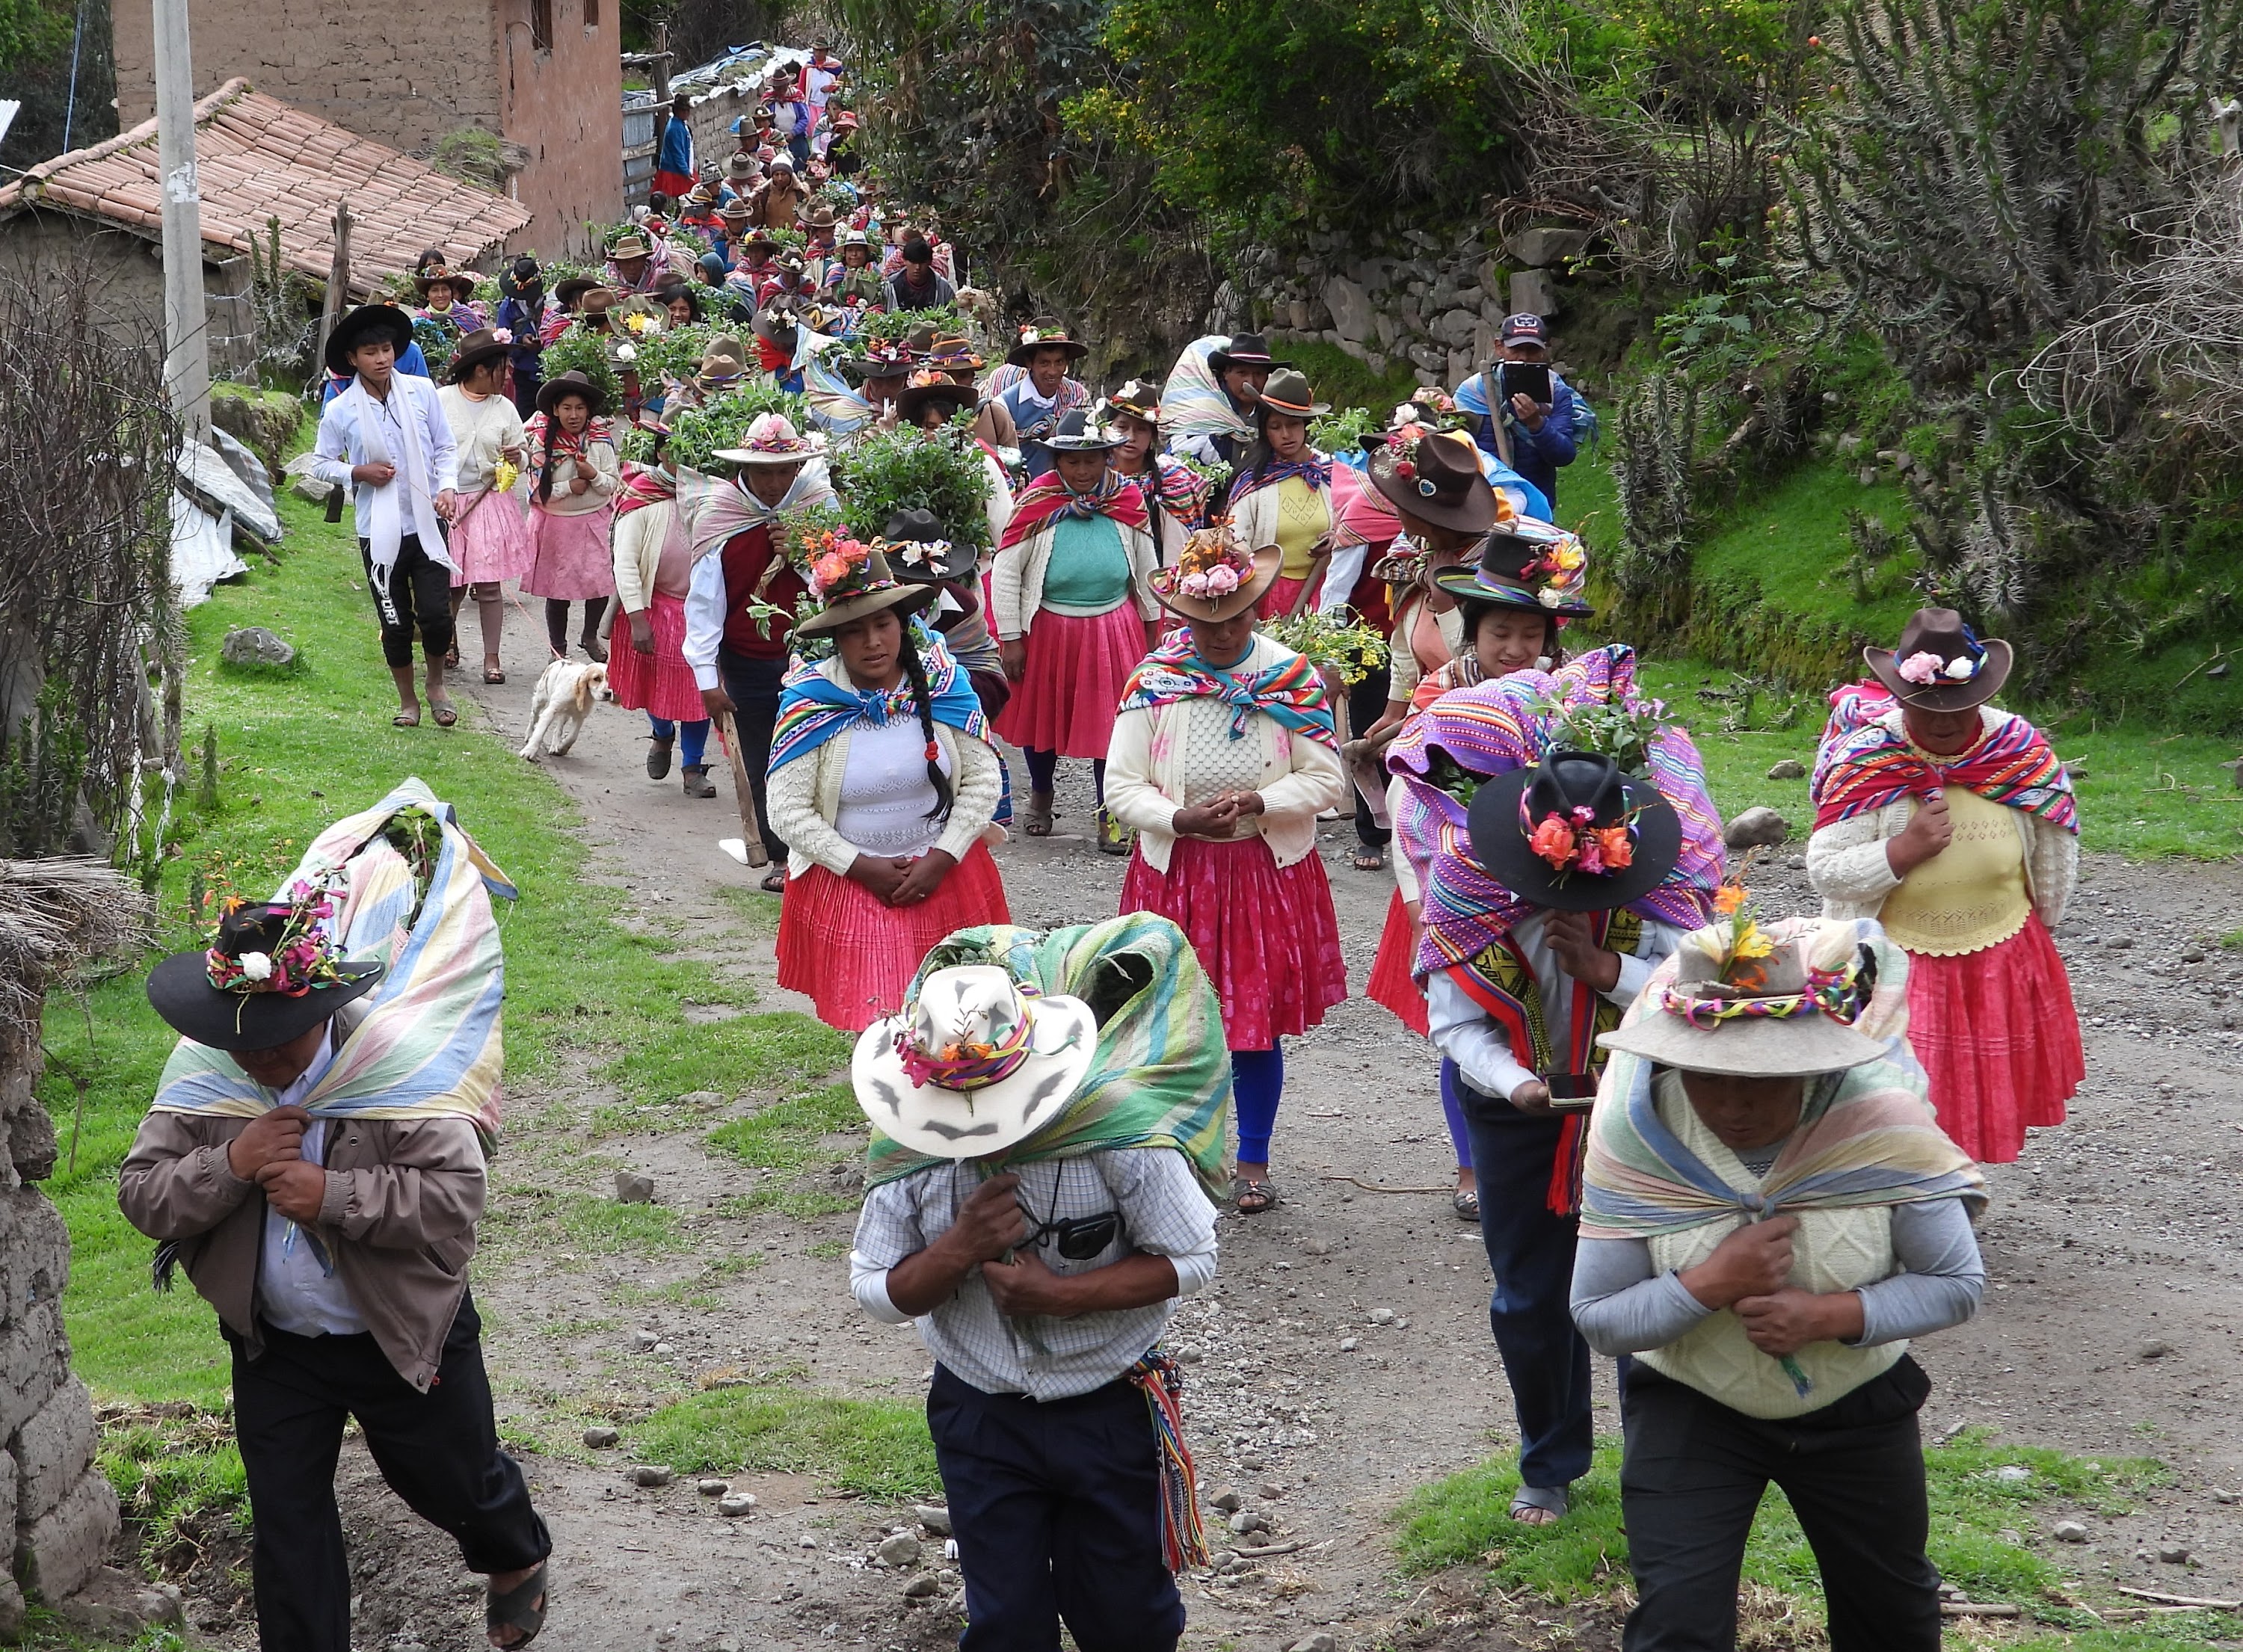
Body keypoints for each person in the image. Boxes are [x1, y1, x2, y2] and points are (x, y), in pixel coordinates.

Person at [118, 784, 550, 1652]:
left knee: (450, 1481)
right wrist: (231, 1164)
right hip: (276, 1343)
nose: (259, 1056)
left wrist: (332, 1199)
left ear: (319, 1009)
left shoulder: (397, 1067)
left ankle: (515, 1551)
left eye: (279, 1036)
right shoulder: (212, 1075)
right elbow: (143, 1192)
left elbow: (451, 1200)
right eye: (241, 1038)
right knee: (287, 1520)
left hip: (397, 1328)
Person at [1576, 907, 1988, 1651]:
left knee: (1891, 1620)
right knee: (1678, 1625)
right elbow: (1598, 1314)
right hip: (1691, 1402)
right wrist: (1706, 1284)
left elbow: (1956, 1280)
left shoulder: (1880, 1119)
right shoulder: (1635, 1131)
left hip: (1857, 1402)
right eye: (1708, 1078)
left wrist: (1827, 1313)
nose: (1733, 1105)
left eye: (1761, 1081)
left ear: (1811, 1061)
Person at [1386, 676, 1724, 1523]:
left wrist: (1613, 972)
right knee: (1530, 1294)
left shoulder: (1660, 892)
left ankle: (1664, 1462)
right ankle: (1550, 1462)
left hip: (1645, 1109)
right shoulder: (1473, 892)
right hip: (1519, 1116)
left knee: (1655, 1285)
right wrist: (1520, 1084)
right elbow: (1455, 1027)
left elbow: (1708, 995)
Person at [848, 916, 1228, 1652]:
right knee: (1005, 1624)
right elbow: (874, 1289)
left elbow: (1193, 1256)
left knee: (1130, 1619)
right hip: (979, 1412)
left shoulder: (1117, 1127)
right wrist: (957, 1248)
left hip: (1109, 1406)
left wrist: (1060, 1296)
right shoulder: (909, 1144)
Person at [1106, 527, 1348, 1213]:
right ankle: (1175, 1156)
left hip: (1261, 874)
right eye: (1202, 621)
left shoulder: (1288, 677)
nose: (1218, 633)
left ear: (1256, 609)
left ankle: (1252, 1159)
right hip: (1177, 871)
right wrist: (1179, 819)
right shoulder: (1154, 683)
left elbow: (1326, 780)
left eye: (1233, 618)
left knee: (1255, 1021)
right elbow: (1120, 786)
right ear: (1181, 617)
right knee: (1170, 1022)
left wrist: (1261, 801)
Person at [1806, 608, 2082, 1162]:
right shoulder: (1867, 757)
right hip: (1897, 961)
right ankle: (1906, 1198)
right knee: (1900, 1097)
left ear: (1981, 695)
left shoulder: (2018, 751)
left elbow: (2055, 845)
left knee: (1977, 1090)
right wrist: (1901, 850)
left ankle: (1948, 1202)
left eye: (1958, 708)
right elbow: (1826, 866)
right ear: (1899, 699)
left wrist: (2041, 933)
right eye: (1926, 708)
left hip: (1999, 951)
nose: (1943, 721)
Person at [765, 540, 1010, 1029]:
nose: (873, 642)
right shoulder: (811, 702)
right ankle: (888, 1105)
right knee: (881, 1023)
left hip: (947, 873)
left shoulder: (945, 686)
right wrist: (861, 867)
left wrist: (942, 857)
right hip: (853, 881)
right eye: (855, 632)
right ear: (836, 639)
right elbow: (786, 811)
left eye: (883, 625)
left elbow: (984, 781)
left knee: (962, 1021)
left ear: (904, 626)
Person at [683, 413, 840, 891]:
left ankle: (820, 849)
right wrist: (707, 681)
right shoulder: (720, 516)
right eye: (764, 473)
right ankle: (777, 854)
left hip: (815, 653)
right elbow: (705, 603)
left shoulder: (819, 510)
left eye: (784, 472)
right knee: (760, 754)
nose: (774, 483)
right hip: (747, 658)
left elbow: (842, 585)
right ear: (745, 472)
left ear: (798, 471)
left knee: (819, 753)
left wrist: (804, 554)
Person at [988, 419, 1160, 848]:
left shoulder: (1126, 497)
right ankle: (1042, 794)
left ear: (1107, 458)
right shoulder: (1038, 501)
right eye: (1071, 461)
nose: (1082, 471)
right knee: (1044, 717)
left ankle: (1111, 811)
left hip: (1113, 624)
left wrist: (1153, 626)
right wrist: (1011, 636)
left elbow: (1147, 563)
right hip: (1050, 626)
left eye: (1091, 460)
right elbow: (1007, 571)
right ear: (1057, 461)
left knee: (1114, 723)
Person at [310, 304, 462, 730]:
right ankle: (408, 701)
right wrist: (358, 472)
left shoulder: (421, 391)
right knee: (394, 620)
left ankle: (436, 686)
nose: (381, 359)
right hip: (378, 531)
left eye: (387, 349)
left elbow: (446, 447)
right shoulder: (341, 410)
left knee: (435, 615)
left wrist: (446, 487)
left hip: (428, 524)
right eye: (371, 352)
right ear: (353, 360)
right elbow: (319, 463)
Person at [609, 422, 716, 800]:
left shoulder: (712, 499)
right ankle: (662, 733)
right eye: (675, 452)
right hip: (654, 607)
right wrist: (637, 618)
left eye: (691, 453)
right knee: (653, 684)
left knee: (700, 689)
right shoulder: (643, 498)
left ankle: (693, 766)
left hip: (699, 611)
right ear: (660, 454)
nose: (683, 461)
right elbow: (625, 562)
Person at [436, 329, 532, 687]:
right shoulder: (442, 400)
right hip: (447, 502)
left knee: (490, 586)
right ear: (479, 370)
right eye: (501, 369)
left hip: (487, 500)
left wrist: (516, 457)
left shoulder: (505, 408)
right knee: (451, 585)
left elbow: (521, 458)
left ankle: (492, 658)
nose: (507, 376)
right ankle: (445, 641)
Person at [521, 371, 620, 664]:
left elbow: (612, 483)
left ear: (588, 410)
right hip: (557, 525)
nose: (573, 415)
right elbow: (536, 491)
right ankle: (558, 647)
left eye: (579, 408)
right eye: (567, 408)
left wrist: (593, 475)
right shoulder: (541, 444)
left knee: (600, 584)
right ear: (555, 410)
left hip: (593, 520)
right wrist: (568, 487)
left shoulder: (600, 442)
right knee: (558, 590)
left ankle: (589, 635)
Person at [1225, 368, 1332, 618]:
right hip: (1267, 594)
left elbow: (1354, 526)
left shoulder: (1329, 474)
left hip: (1324, 591)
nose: (1286, 434)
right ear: (1265, 430)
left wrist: (1340, 537)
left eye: (1293, 424)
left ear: (1306, 425)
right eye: (1275, 426)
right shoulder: (1254, 483)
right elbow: (1235, 539)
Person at [1456, 313, 1584, 512]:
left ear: (1544, 351)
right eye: (1516, 349)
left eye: (1532, 350)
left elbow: (1564, 455)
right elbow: (1456, 447)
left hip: (1536, 502)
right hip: (1482, 503)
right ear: (1499, 347)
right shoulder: (1474, 392)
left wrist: (1537, 424)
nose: (1523, 357)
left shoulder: (1555, 392)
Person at [1101, 379, 1210, 563]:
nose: (1131, 437)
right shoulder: (1095, 479)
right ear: (1108, 428)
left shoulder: (1173, 481)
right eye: (1122, 427)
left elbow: (1180, 549)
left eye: (1141, 429)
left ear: (1153, 436)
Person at [1162, 333, 1286, 472]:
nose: (1251, 383)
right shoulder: (1201, 418)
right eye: (1242, 373)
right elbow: (1174, 469)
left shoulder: (1273, 415)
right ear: (1226, 373)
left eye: (1258, 374)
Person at [994, 321, 1093, 483]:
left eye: (1059, 362)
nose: (1053, 371)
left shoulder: (1077, 396)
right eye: (1044, 363)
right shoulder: (1004, 405)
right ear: (1029, 363)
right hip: (1022, 491)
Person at [493, 258, 547, 415]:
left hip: (554, 373)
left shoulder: (551, 303)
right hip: (525, 376)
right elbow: (503, 344)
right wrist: (521, 343)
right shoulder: (508, 308)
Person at [886, 235, 957, 311]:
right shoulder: (890, 287)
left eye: (922, 263)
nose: (917, 268)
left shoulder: (943, 289)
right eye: (913, 262)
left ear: (930, 262)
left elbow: (951, 316)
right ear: (904, 260)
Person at [825, 226, 887, 309]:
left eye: (859, 250)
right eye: (850, 250)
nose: (854, 254)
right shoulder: (836, 272)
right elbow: (828, 298)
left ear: (866, 253)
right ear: (845, 254)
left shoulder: (874, 272)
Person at [653, 92, 696, 200]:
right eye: (685, 110)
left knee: (684, 198)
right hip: (675, 170)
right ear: (678, 111)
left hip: (680, 168)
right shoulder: (675, 128)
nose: (688, 113)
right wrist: (686, 173)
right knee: (684, 197)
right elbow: (678, 153)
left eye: (688, 110)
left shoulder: (680, 124)